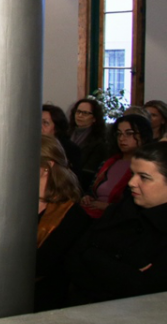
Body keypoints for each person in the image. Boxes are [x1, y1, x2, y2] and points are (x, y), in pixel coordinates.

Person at [67, 141, 167, 305]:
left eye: (144, 177)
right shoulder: (120, 210)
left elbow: (147, 290)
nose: (131, 182)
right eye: (132, 174)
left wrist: (95, 255)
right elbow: (76, 257)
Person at [35, 136, 90, 312]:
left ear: (47, 167)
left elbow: (43, 265)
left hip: (45, 301)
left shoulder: (72, 215)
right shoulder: (14, 202)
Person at [82, 114, 154, 219]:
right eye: (119, 134)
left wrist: (108, 207)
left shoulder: (146, 167)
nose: (122, 138)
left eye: (129, 133)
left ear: (143, 136)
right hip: (91, 212)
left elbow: (136, 206)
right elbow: (91, 189)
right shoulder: (109, 162)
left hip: (117, 218)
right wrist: (87, 197)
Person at [68, 98, 109, 191]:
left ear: (94, 118)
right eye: (78, 112)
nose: (80, 115)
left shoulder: (99, 143)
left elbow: (89, 173)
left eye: (85, 113)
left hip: (80, 186)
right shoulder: (66, 134)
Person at [41, 104, 84, 181]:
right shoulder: (28, 145)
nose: (39, 126)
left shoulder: (70, 150)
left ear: (57, 128)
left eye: (45, 123)